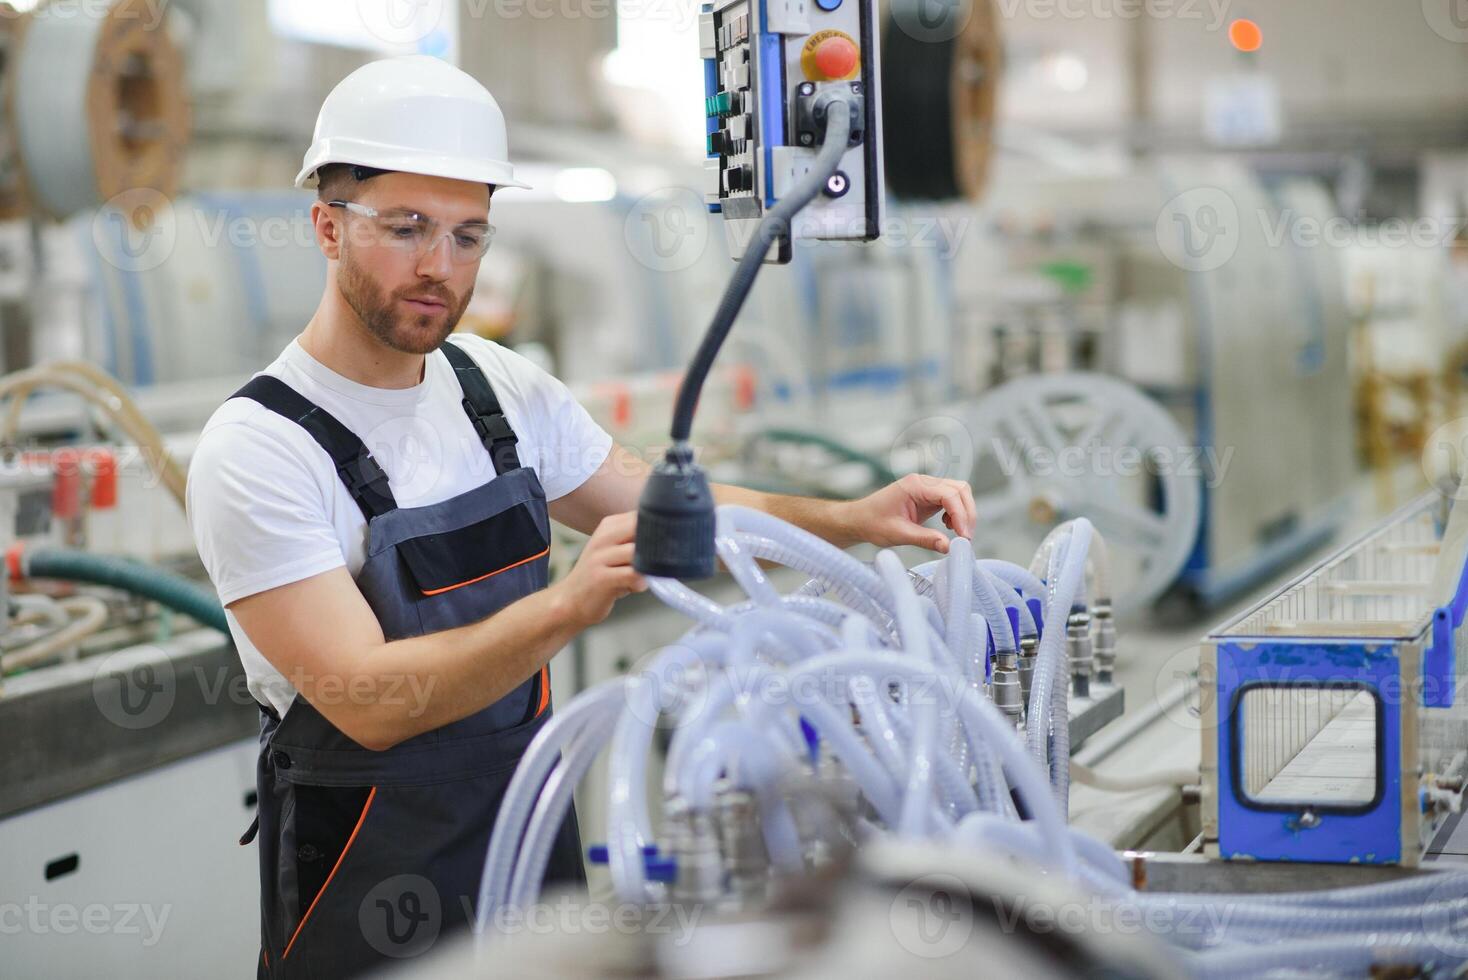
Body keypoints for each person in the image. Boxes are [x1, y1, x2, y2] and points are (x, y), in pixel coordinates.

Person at [186, 55, 976, 978]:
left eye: (468, 235)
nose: (440, 267)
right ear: (327, 226)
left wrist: (850, 517)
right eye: (406, 229)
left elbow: (671, 509)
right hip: (366, 889)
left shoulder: (499, 387)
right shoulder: (260, 447)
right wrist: (568, 604)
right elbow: (370, 701)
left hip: (529, 845)